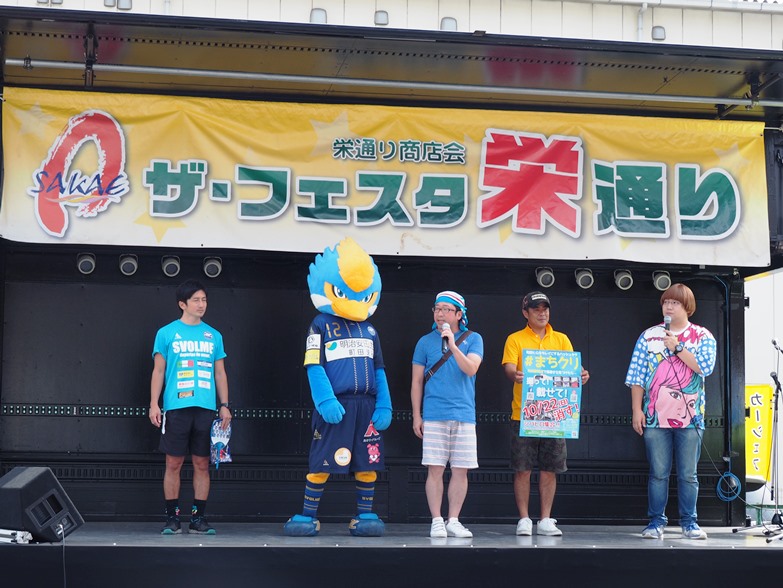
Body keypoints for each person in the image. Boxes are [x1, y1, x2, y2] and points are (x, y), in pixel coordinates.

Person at [283, 237, 392, 537]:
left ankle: (365, 514)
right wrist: (325, 401)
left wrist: (384, 404)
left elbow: (379, 369)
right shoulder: (319, 324)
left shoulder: (370, 330)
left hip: (366, 407)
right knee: (322, 462)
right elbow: (313, 365)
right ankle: (308, 516)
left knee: (367, 462)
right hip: (336, 405)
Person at [625, 283, 716, 540]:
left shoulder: (702, 335)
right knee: (658, 473)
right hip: (655, 417)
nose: (669, 306)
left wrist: (677, 347)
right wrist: (636, 410)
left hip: (691, 419)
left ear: (687, 306)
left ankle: (690, 522)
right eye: (666, 302)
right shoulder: (649, 336)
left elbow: (705, 367)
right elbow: (637, 377)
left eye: (675, 303)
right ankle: (656, 522)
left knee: (688, 474)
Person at [502, 291, 589, 537]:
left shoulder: (561, 339)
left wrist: (582, 375)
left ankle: (546, 519)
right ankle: (524, 519)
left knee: (550, 468)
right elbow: (509, 367)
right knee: (523, 468)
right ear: (525, 312)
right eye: (536, 309)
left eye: (545, 309)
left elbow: (573, 369)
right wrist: (514, 374)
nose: (542, 313)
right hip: (524, 414)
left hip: (555, 415)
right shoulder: (515, 339)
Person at [149, 279, 231, 535]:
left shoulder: (214, 335)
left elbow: (220, 373)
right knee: (173, 463)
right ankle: (172, 519)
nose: (201, 304)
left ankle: (198, 519)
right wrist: (154, 403)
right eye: (196, 300)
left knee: (202, 464)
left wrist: (224, 405)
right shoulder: (166, 333)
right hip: (176, 407)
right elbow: (158, 370)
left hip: (205, 409)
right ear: (182, 304)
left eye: (204, 299)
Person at [411, 291, 484, 539]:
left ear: (459, 314)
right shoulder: (424, 342)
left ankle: (453, 520)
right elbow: (416, 382)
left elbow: (471, 368)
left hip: (464, 414)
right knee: (435, 469)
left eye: (446, 309)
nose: (440, 313)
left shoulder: (474, 339)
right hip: (434, 413)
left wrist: (452, 345)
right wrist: (416, 415)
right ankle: (436, 520)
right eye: (437, 308)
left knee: (461, 470)